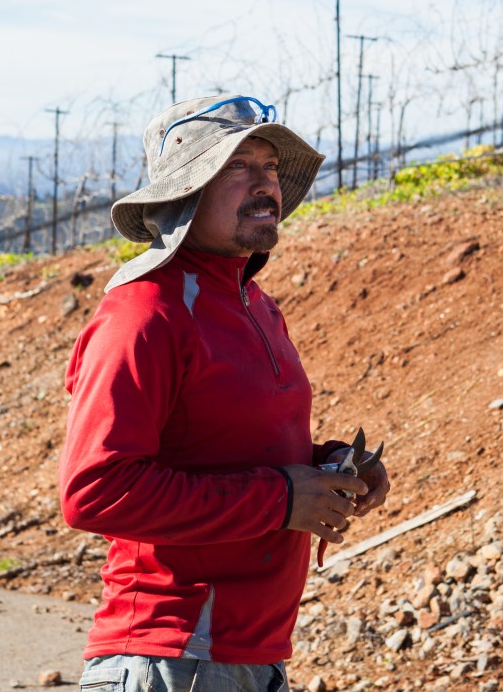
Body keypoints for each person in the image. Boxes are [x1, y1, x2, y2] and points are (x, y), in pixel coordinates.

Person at [59, 94, 391, 692]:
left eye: (269, 165)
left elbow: (228, 453)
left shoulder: (256, 306)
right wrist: (282, 499)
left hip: (249, 655)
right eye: (238, 166)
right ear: (185, 193)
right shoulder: (144, 313)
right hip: (171, 655)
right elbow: (94, 491)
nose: (265, 184)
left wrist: (328, 471)